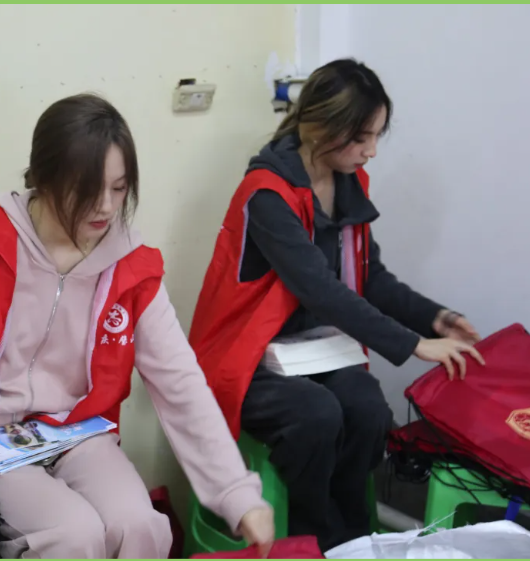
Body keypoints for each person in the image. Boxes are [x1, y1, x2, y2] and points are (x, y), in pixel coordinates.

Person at [0, 93, 274, 559]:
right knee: (72, 535)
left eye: (119, 188)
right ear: (44, 176)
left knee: (141, 527)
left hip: (74, 431)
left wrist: (236, 492)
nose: (106, 207)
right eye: (87, 189)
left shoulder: (132, 269)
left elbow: (180, 382)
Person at [188, 59, 485, 551]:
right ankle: (313, 540)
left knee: (369, 410)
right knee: (317, 416)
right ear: (320, 127)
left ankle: (351, 536)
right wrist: (413, 345)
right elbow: (321, 291)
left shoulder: (348, 182)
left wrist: (436, 318)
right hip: (246, 357)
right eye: (360, 138)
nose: (371, 151)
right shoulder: (267, 194)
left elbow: (369, 277)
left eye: (376, 137)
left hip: (313, 351)